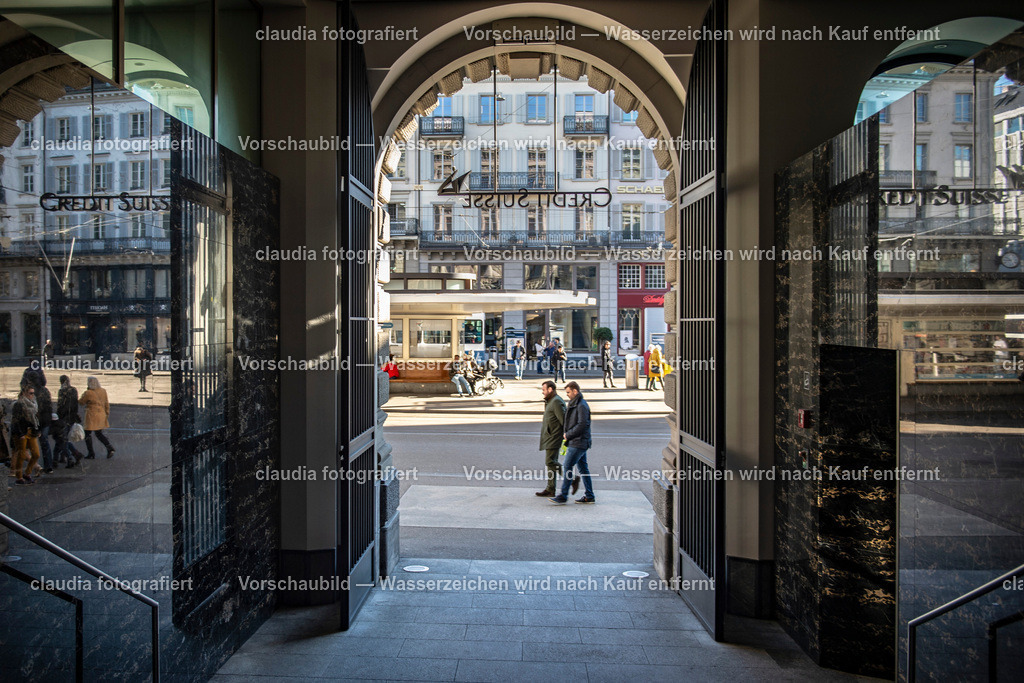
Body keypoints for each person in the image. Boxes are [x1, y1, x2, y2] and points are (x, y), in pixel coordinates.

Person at [550, 381, 595, 504]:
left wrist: (568, 434)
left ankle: (563, 495)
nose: (567, 395)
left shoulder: (581, 405)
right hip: (577, 441)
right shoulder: (575, 403)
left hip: (578, 442)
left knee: (567, 467)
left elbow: (582, 424)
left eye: (569, 392)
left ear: (575, 391)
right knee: (583, 469)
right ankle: (590, 495)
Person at [536, 380, 567, 497]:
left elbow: (564, 420)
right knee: (550, 464)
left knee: (550, 461)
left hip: (554, 436)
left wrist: (565, 436)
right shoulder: (551, 401)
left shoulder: (557, 402)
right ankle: (550, 489)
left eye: (544, 390)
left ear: (550, 390)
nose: (542, 392)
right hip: (550, 436)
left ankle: (572, 478)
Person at [22, 368, 56, 473]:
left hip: (35, 421)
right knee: (45, 443)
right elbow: (49, 406)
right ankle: (48, 465)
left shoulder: (30, 391)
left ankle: (33, 465)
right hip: (45, 421)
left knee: (28, 444)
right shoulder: (45, 390)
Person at [11, 385, 41, 485]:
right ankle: (19, 477)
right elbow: (16, 421)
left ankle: (27, 473)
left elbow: (36, 418)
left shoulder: (34, 403)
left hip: (31, 431)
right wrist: (20, 434)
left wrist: (38, 430)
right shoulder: (19, 404)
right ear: (24, 393)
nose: (32, 395)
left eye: (33, 393)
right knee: (21, 455)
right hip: (22, 432)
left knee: (36, 454)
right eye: (30, 393)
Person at [79, 376, 115, 459]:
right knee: (99, 433)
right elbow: (106, 403)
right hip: (101, 414)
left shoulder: (88, 392)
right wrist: (107, 413)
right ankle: (109, 447)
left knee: (87, 434)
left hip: (91, 415)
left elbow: (82, 402)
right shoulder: (103, 391)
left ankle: (91, 452)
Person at [54, 375, 83, 468]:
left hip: (63, 418)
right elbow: (75, 404)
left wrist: (58, 416)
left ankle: (70, 456)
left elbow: (60, 405)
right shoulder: (74, 390)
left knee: (62, 439)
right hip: (71, 417)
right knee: (64, 438)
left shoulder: (62, 391)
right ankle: (70, 455)